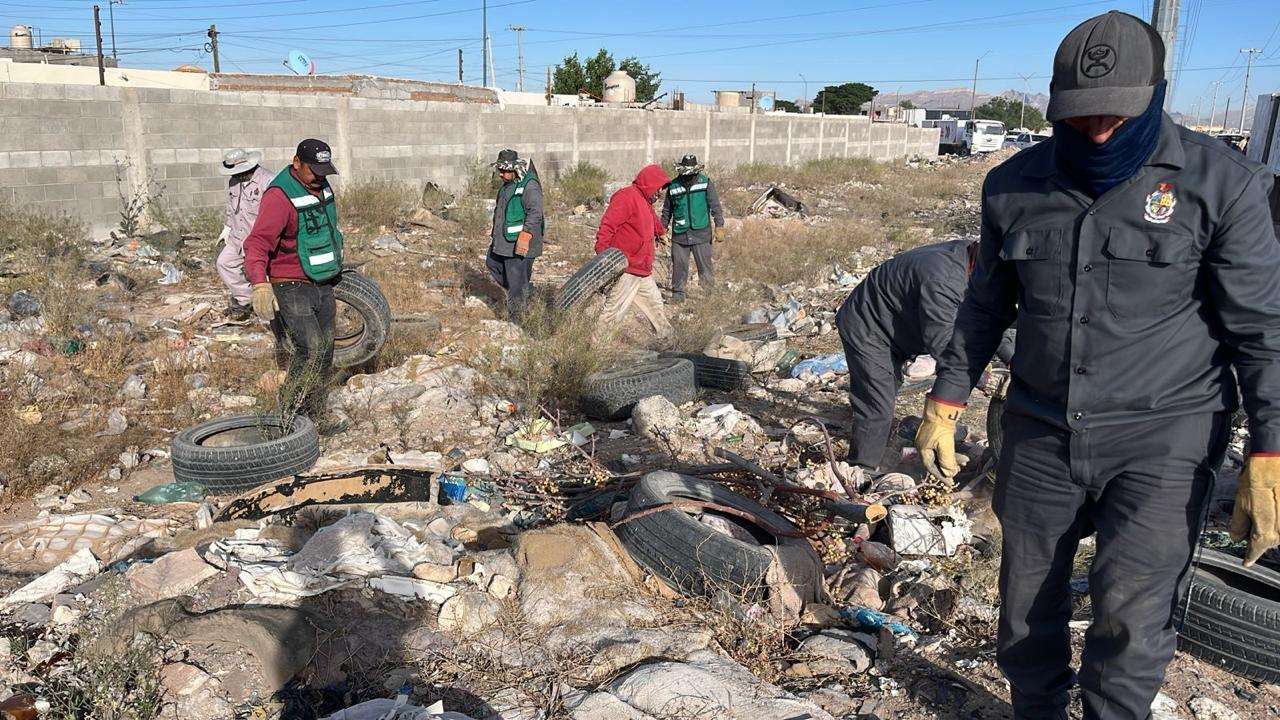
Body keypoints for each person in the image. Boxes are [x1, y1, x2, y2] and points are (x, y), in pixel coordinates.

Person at [913, 12, 1280, 719]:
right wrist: (947, 395)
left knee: (1131, 617)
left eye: (1117, 115)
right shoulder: (1012, 186)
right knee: (1024, 609)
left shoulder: (1221, 184)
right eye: (1080, 119)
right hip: (1041, 429)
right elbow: (985, 305)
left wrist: (1270, 445)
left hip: (1164, 437)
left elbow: (1261, 328)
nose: (1100, 132)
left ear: (1157, 95)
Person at [835, 239, 1013, 473]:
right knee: (877, 405)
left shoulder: (975, 262)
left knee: (888, 388)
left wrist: (1015, 361)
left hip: (900, 323)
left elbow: (994, 320)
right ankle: (860, 471)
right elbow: (946, 348)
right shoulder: (943, 278)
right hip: (868, 327)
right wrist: (984, 380)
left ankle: (878, 441)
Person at [243, 139, 347, 435]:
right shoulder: (279, 196)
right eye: (313, 170)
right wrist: (259, 283)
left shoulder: (322, 185)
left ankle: (316, 416)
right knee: (310, 347)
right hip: (289, 283)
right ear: (296, 162)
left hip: (321, 280)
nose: (319, 176)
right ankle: (286, 419)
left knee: (325, 350)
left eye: (324, 170)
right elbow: (257, 243)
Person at [595, 164, 673, 338]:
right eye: (658, 188)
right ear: (649, 184)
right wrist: (603, 258)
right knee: (614, 313)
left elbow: (652, 219)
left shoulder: (645, 202)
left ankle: (668, 342)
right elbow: (607, 226)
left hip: (642, 269)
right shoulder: (626, 197)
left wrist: (661, 233)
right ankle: (598, 349)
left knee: (655, 305)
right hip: (627, 269)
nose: (659, 193)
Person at [215, 148, 274, 320]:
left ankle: (269, 311)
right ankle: (246, 299)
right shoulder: (234, 182)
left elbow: (275, 213)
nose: (237, 175)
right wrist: (227, 228)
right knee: (224, 263)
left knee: (262, 273)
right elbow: (231, 207)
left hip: (259, 239)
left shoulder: (268, 181)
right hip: (237, 236)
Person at [487, 149, 544, 318]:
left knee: (516, 283)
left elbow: (535, 212)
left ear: (515, 169)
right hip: (504, 243)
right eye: (500, 171)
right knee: (492, 263)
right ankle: (524, 290)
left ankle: (518, 321)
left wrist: (525, 235)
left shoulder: (529, 186)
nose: (501, 174)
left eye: (505, 171)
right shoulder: (507, 186)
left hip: (520, 244)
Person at [660, 154, 724, 302]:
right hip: (680, 235)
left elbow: (715, 206)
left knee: (705, 267)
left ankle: (709, 296)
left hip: (701, 233)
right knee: (679, 266)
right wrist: (662, 230)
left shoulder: (705, 183)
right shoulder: (673, 186)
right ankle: (678, 295)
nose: (688, 177)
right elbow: (666, 211)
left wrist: (719, 226)